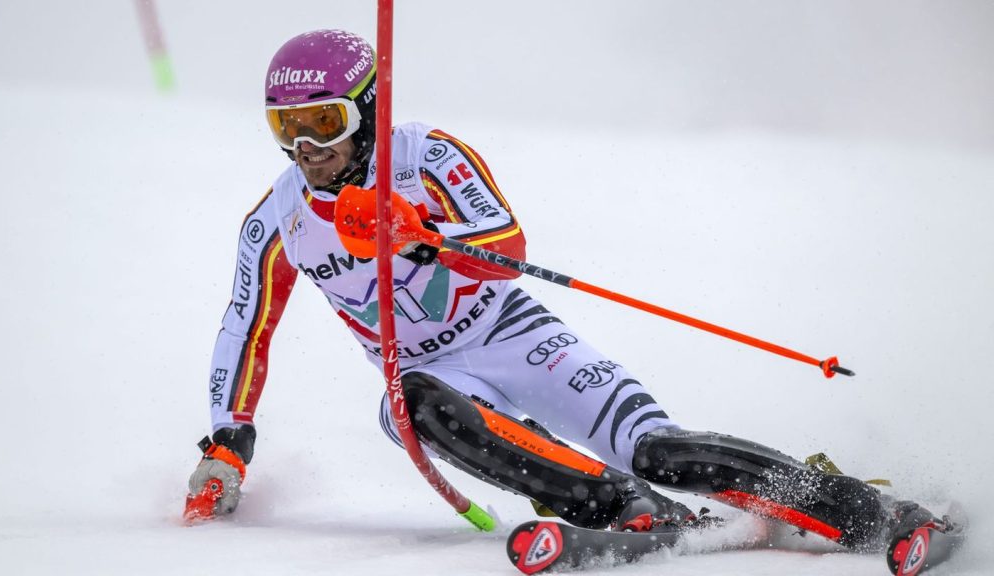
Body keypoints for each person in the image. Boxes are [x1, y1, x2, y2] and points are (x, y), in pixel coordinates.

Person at [185, 29, 924, 551]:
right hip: (434, 376)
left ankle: (870, 510)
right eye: (287, 128)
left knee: (659, 448)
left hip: (514, 336)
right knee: (404, 405)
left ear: (368, 108)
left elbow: (507, 249)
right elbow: (245, 328)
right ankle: (628, 511)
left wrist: (419, 234)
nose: (307, 148)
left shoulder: (426, 156)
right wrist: (227, 444)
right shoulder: (278, 221)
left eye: (324, 122)